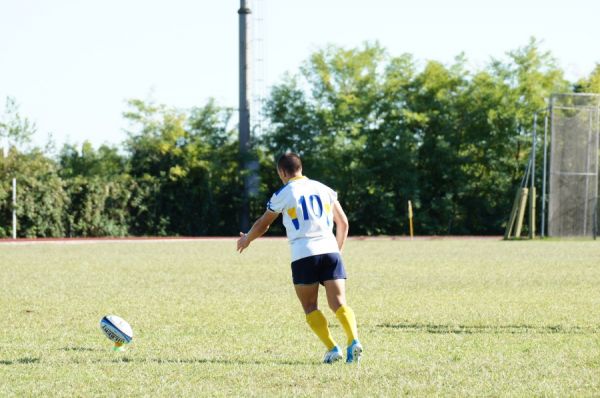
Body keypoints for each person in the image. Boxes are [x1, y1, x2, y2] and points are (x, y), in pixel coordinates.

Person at [236, 152, 362, 364]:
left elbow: (264, 223)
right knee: (339, 303)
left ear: (283, 172)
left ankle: (333, 348)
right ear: (300, 168)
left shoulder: (284, 193)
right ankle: (354, 340)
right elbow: (343, 223)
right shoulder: (324, 188)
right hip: (330, 251)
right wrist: (336, 252)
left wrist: (247, 239)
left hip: (304, 255)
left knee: (310, 306)